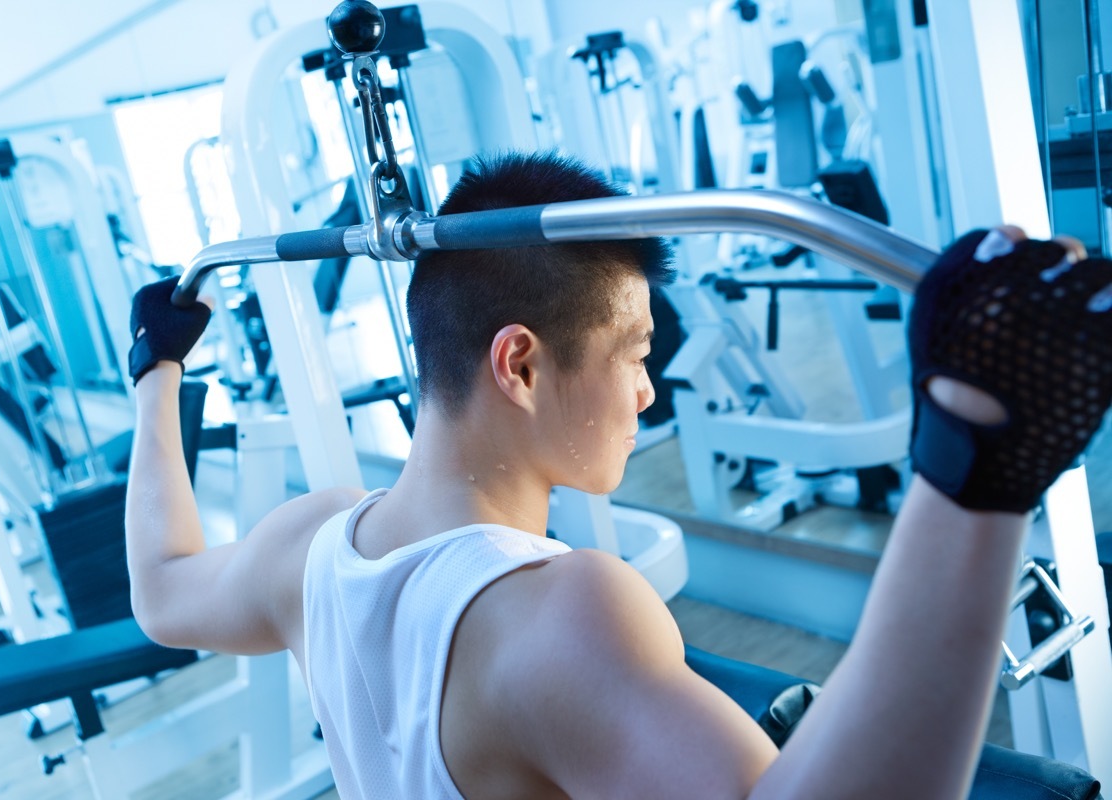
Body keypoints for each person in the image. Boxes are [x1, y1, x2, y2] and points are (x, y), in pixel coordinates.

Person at [125, 151, 1112, 799]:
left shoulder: (312, 538)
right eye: (633, 350)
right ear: (519, 364)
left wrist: (156, 373)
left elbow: (163, 588)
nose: (648, 390)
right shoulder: (561, 613)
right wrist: (974, 466)